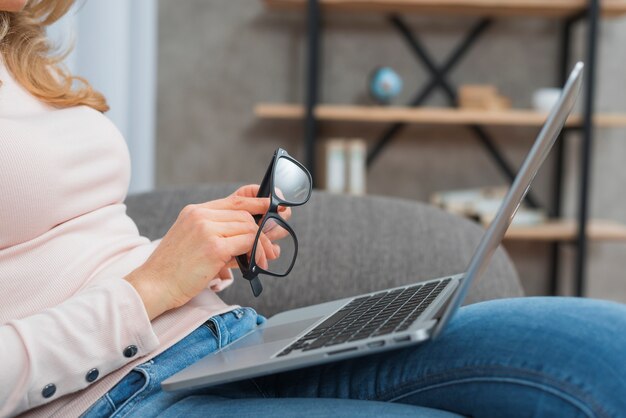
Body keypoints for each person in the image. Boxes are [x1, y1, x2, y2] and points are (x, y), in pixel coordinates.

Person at [1, 1, 625, 417]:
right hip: (121, 398)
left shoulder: (20, 67)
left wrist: (193, 258)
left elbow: (70, 244)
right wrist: (152, 288)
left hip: (223, 346)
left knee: (602, 348)